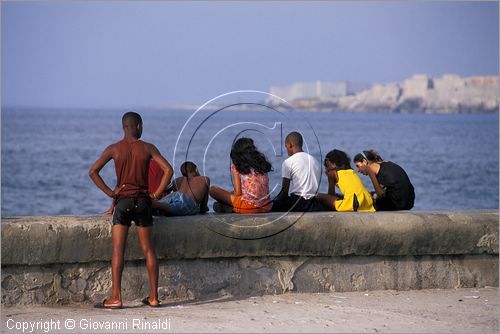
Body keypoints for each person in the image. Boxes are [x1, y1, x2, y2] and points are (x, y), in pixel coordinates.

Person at [88, 112, 173, 309]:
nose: (142, 129)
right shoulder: (148, 148)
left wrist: (111, 193)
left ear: (123, 127)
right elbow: (168, 170)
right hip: (143, 203)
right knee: (149, 250)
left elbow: (93, 172)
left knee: (118, 250)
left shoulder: (114, 149)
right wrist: (155, 194)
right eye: (141, 126)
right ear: (136, 126)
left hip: (123, 203)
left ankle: (116, 297)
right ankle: (153, 297)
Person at [210, 137, 273, 213]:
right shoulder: (261, 165)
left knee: (212, 190)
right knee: (230, 196)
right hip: (267, 206)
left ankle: (227, 207)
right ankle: (228, 207)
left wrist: (226, 196)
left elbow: (238, 193)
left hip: (248, 207)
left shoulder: (238, 167)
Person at [272, 131, 323, 212]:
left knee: (273, 205)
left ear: (290, 145)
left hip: (297, 203)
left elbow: (284, 192)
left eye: (286, 147)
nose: (286, 150)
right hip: (314, 203)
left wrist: (275, 202)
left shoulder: (288, 162)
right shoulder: (314, 160)